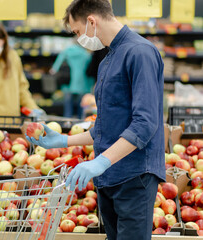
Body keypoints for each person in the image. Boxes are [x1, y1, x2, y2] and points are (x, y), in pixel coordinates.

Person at [26, 0, 165, 239]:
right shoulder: (108, 59)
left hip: (134, 176)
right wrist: (64, 141)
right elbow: (105, 126)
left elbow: (145, 124)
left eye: (77, 32)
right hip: (109, 178)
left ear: (92, 21)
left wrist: (100, 162)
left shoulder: (140, 53)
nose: (79, 38)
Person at [49, 41, 94, 119]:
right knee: (81, 107)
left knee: (68, 107)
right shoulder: (86, 55)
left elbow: (55, 67)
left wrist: (54, 69)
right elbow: (90, 70)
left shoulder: (67, 51)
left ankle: (67, 122)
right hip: (82, 84)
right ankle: (81, 123)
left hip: (68, 83)